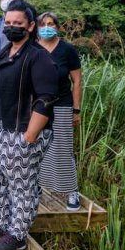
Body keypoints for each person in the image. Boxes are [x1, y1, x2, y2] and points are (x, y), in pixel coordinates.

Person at [0, 0, 58, 250]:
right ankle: (3, 221)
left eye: (18, 23)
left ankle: (18, 235)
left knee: (21, 182)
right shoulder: (6, 50)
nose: (12, 27)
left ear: (31, 26)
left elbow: (46, 99)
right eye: (8, 23)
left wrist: (30, 136)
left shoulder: (38, 56)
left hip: (20, 128)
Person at [36, 12, 83, 211]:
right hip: (38, 105)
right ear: (36, 27)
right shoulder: (33, 47)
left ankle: (71, 190)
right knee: (37, 147)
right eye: (43, 24)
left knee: (62, 147)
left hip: (62, 104)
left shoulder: (67, 50)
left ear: (57, 27)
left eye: (51, 24)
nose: (47, 27)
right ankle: (37, 187)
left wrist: (76, 109)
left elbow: (77, 81)